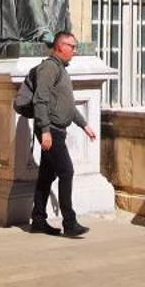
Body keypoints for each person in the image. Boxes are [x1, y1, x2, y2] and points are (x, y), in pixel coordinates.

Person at [28, 30, 95, 237]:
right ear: (60, 46)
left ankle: (38, 219)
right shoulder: (49, 68)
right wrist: (45, 131)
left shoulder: (61, 69)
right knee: (66, 172)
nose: (74, 51)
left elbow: (67, 105)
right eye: (71, 47)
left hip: (58, 130)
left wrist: (84, 125)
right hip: (52, 131)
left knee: (47, 175)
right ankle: (70, 221)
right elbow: (40, 100)